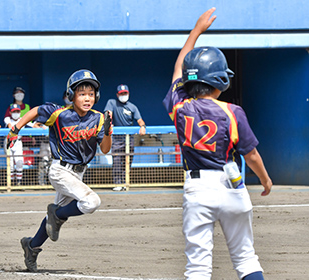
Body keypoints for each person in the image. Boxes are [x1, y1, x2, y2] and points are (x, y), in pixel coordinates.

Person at [162, 8, 272, 280]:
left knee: (198, 267)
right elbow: (252, 154)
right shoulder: (232, 111)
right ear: (220, 80)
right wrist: (266, 180)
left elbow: (178, 70)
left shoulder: (180, 107)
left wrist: (195, 31)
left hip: (198, 189)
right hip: (233, 186)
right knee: (246, 259)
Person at [6, 69, 112, 272]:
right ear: (72, 95)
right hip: (60, 170)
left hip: (78, 173)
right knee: (91, 202)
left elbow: (105, 148)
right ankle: (58, 214)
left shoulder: (98, 119)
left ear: (96, 97)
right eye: (82, 94)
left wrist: (107, 132)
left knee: (52, 222)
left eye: (91, 94)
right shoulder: (60, 113)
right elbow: (36, 110)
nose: (87, 98)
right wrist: (15, 129)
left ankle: (32, 245)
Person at [103, 84, 146, 191]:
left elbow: (140, 120)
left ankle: (125, 182)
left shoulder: (132, 107)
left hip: (129, 139)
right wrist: (109, 122)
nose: (123, 95)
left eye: (125, 93)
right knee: (117, 160)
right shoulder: (112, 103)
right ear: (117, 94)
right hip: (117, 138)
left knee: (128, 160)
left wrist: (143, 127)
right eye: (121, 93)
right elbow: (109, 113)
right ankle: (118, 183)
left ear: (128, 94)